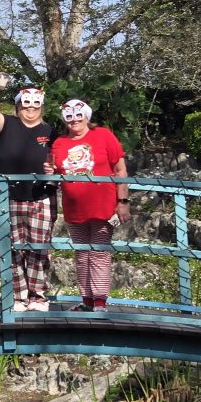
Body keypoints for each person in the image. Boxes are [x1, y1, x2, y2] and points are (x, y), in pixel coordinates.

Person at [45, 99, 131, 313]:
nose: (74, 120)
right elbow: (55, 172)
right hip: (75, 209)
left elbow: (120, 170)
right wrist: (49, 172)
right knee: (82, 254)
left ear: (86, 116)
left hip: (103, 207)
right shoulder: (60, 143)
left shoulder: (103, 135)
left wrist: (123, 202)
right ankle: (87, 300)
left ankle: (100, 302)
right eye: (69, 116)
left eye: (78, 115)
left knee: (99, 253)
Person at [0, 74, 57, 311]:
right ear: (17, 105)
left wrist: (53, 168)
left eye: (36, 104)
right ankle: (18, 295)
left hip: (41, 195)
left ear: (42, 106)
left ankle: (38, 295)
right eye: (25, 103)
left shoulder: (50, 131)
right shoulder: (7, 124)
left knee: (39, 247)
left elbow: (59, 161)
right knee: (12, 246)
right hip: (7, 196)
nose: (31, 108)